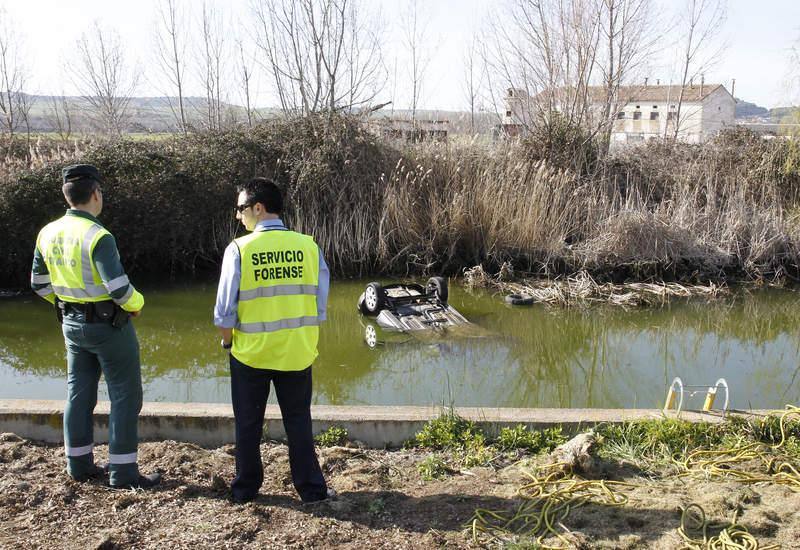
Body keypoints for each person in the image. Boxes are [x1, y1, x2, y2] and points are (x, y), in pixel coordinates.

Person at [30, 164, 160, 489]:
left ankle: (78, 465)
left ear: (66, 194)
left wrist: (66, 302)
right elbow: (119, 289)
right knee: (126, 396)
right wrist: (138, 305)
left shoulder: (47, 232)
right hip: (109, 327)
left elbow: (38, 284)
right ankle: (124, 472)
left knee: (78, 392)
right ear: (96, 194)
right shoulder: (98, 236)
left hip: (71, 325)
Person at [214, 177, 333, 504]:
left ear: (258, 207)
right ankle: (311, 490)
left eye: (241, 209)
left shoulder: (239, 249)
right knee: (298, 422)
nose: (238, 217)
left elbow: (224, 312)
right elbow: (320, 304)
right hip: (297, 352)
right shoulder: (309, 246)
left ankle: (245, 490)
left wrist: (228, 344)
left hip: (251, 355)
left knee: (248, 425)